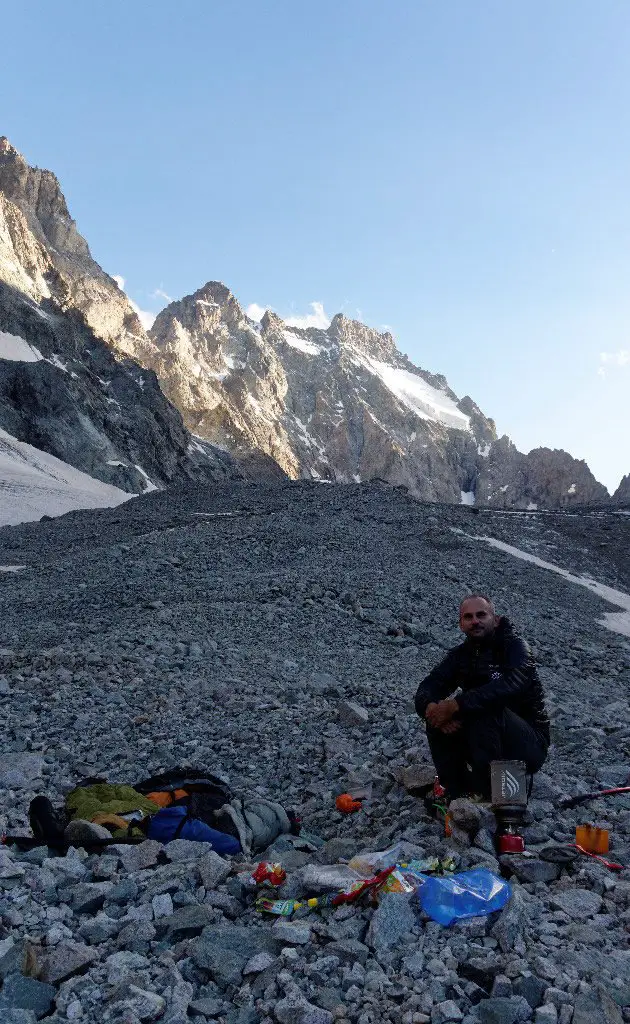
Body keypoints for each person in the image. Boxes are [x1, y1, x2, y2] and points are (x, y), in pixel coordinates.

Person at [414, 594, 550, 800]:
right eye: (468, 617)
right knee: (436, 716)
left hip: (527, 743)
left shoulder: (515, 647)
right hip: (481, 737)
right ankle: (456, 793)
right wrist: (431, 709)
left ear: (495, 620)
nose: (475, 621)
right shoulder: (460, 656)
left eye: (481, 615)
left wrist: (456, 705)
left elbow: (513, 685)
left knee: (486, 710)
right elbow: (429, 685)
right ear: (461, 624)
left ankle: (490, 796)